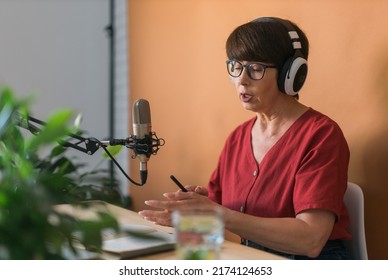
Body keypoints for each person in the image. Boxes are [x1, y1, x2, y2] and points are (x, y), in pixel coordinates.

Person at [139, 16, 352, 260]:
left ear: (290, 74)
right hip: (251, 257)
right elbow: (219, 221)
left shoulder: (321, 135)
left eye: (256, 68)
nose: (241, 79)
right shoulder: (238, 138)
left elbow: (310, 240)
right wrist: (193, 214)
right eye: (236, 66)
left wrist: (217, 214)